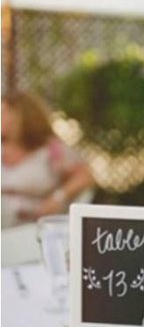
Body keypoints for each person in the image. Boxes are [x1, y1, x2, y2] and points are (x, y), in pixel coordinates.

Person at [1, 90, 95, 228]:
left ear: (21, 116)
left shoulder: (51, 151)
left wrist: (58, 197)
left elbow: (85, 176)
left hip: (34, 228)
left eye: (4, 112)